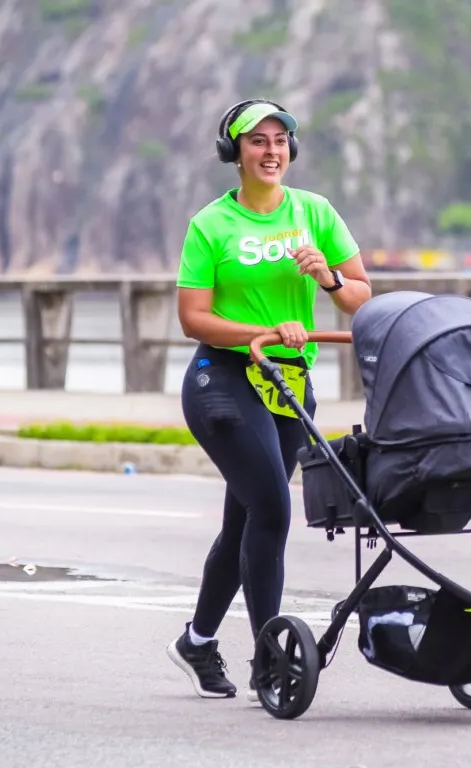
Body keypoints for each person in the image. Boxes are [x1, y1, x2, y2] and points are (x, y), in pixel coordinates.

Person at [166, 98, 372, 698]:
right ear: (236, 152)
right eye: (257, 141)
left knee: (245, 521)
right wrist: (259, 334)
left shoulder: (316, 212)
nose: (271, 151)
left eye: (280, 140)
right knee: (273, 510)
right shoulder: (212, 225)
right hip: (223, 379)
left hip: (288, 384)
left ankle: (198, 642)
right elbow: (192, 318)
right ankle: (267, 662)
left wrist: (328, 278)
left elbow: (363, 299)